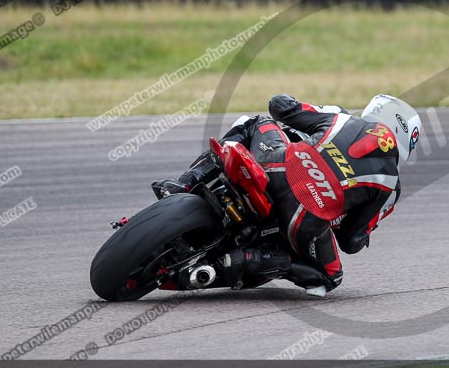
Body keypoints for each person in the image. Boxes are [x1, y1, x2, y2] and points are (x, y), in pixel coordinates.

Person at [152, 94, 422, 297]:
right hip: (302, 218)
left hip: (274, 167)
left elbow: (279, 106)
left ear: (373, 111)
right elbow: (350, 241)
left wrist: (288, 100)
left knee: (253, 122)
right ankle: (239, 261)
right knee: (329, 277)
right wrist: (360, 232)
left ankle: (183, 183)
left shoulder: (341, 118)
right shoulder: (390, 186)